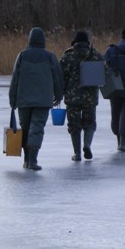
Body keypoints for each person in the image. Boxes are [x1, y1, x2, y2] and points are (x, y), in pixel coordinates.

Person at [9, 27, 64, 170]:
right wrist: (59, 95)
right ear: (43, 40)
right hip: (43, 100)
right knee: (37, 128)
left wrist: (12, 99)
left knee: (26, 129)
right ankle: (32, 160)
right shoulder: (50, 57)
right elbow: (58, 78)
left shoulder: (21, 56)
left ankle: (27, 160)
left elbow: (15, 79)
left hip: (23, 100)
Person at [59, 30, 104, 161]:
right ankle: (87, 145)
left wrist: (59, 93)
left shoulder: (67, 56)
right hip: (90, 97)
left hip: (72, 97)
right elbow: (105, 72)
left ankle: (77, 153)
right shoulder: (95, 55)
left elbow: (61, 77)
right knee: (89, 123)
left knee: (74, 125)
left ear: (74, 42)